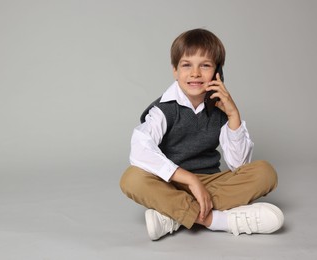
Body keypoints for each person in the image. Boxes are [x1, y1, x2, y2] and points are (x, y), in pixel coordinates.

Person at [119, 28, 284, 241]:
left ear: (217, 72)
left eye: (205, 65)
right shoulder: (164, 109)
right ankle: (217, 220)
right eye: (186, 65)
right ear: (175, 71)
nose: (195, 73)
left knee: (265, 172)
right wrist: (189, 180)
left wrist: (233, 115)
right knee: (132, 178)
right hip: (171, 183)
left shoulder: (220, 109)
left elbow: (239, 165)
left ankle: (175, 215)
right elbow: (140, 148)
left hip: (211, 184)